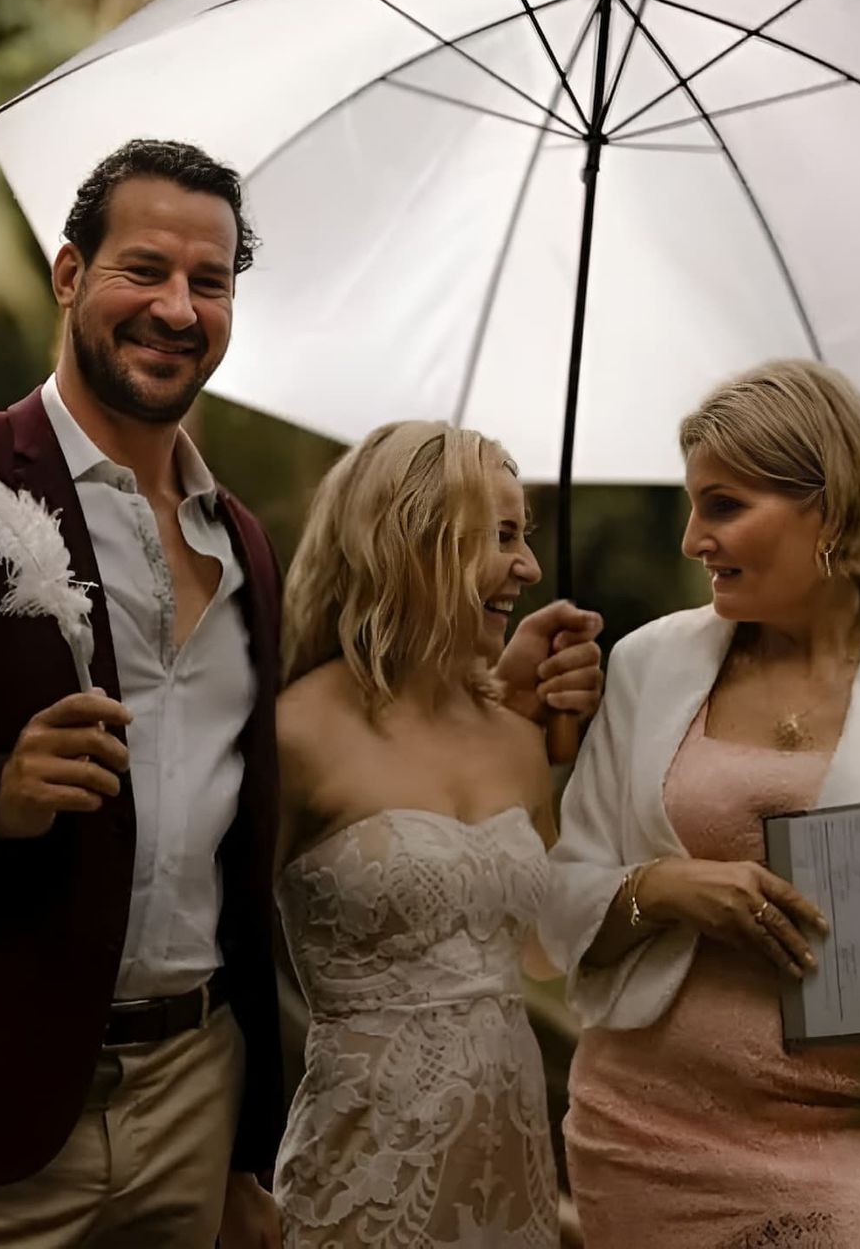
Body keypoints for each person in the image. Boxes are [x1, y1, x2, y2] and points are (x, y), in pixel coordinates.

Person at [0, 139, 600, 1249]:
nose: (177, 307)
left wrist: (241, 1144)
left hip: (191, 1101)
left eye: (210, 282)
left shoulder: (247, 547)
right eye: (145, 269)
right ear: (69, 274)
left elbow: (250, 860)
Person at [540, 359, 860, 1248]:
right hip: (644, 1131)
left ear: (832, 508)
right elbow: (560, 898)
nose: (694, 538)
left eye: (725, 505)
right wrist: (666, 888)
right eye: (694, 505)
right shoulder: (648, 664)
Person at [272, 421, 599, 1248]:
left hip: (512, 1179)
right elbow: (227, 972)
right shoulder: (294, 734)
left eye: (525, 538)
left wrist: (564, 755)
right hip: (358, 1178)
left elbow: (547, 953)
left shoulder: (517, 735)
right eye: (503, 536)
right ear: (410, 539)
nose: (526, 567)